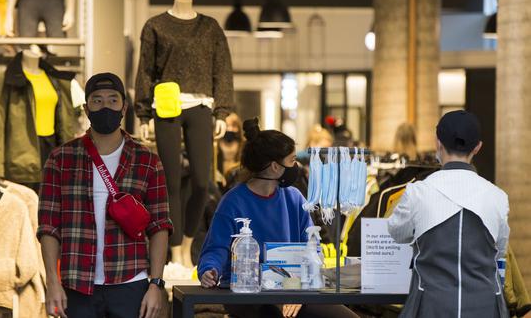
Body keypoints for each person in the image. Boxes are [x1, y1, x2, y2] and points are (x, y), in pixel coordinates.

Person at [37, 73, 173, 318]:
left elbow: (160, 226)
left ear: (124, 107)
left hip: (131, 282)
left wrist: (156, 283)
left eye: (113, 100)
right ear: (86, 108)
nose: (105, 106)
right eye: (97, 101)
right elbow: (48, 226)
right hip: (77, 284)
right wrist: (52, 282)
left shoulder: (147, 161)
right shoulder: (60, 159)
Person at [198, 118, 357, 318]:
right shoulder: (233, 202)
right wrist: (209, 270)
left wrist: (300, 288)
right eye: (291, 160)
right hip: (246, 292)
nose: (295, 166)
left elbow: (312, 246)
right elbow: (216, 248)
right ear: (275, 167)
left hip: (291, 286)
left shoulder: (294, 197)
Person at [387, 110, 510, 317]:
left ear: (438, 143)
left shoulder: (417, 192)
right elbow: (500, 249)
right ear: (478, 147)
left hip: (431, 307)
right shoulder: (498, 197)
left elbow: (396, 232)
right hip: (485, 308)